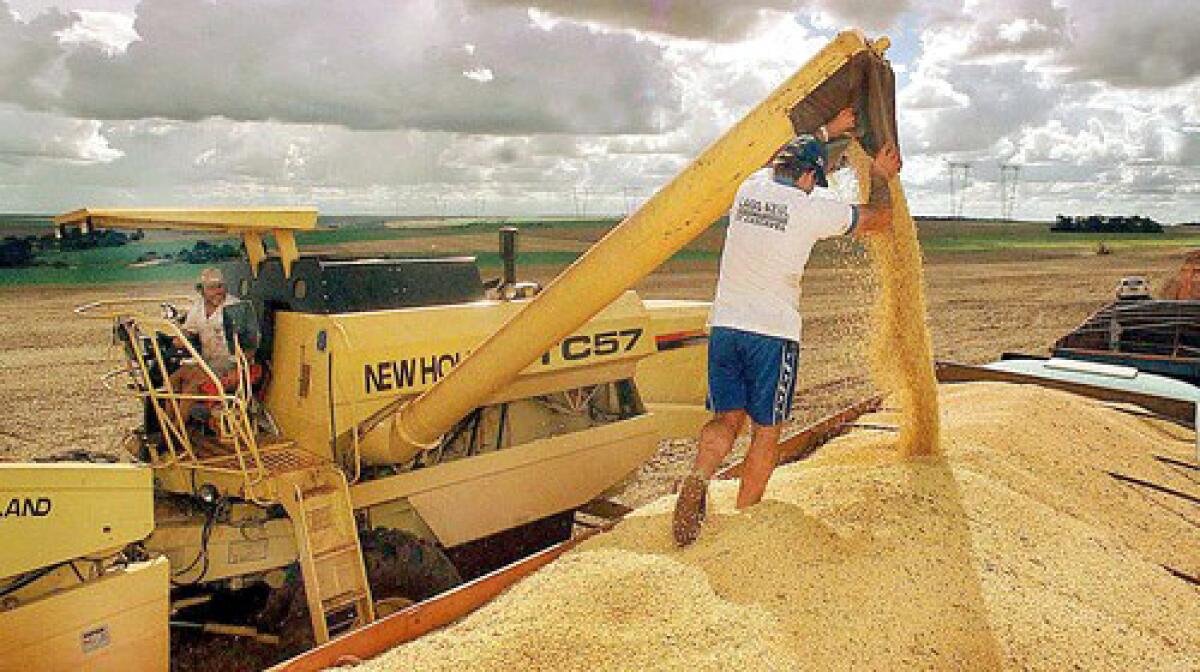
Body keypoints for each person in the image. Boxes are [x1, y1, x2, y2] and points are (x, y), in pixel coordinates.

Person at [672, 108, 901, 546]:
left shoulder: (748, 187)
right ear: (809, 177)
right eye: (816, 178)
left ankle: (699, 475)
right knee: (766, 430)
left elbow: (779, 150)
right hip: (771, 334)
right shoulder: (812, 210)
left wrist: (829, 131)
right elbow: (880, 221)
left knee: (726, 418)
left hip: (725, 324)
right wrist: (881, 175)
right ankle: (746, 516)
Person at [170, 267, 262, 428]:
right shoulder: (198, 308)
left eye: (221, 286)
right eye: (212, 288)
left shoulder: (236, 307)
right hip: (208, 362)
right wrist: (180, 338)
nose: (218, 291)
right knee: (172, 380)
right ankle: (168, 426)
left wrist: (238, 368)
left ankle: (177, 432)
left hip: (231, 364)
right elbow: (189, 331)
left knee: (191, 388)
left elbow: (251, 343)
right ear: (202, 290)